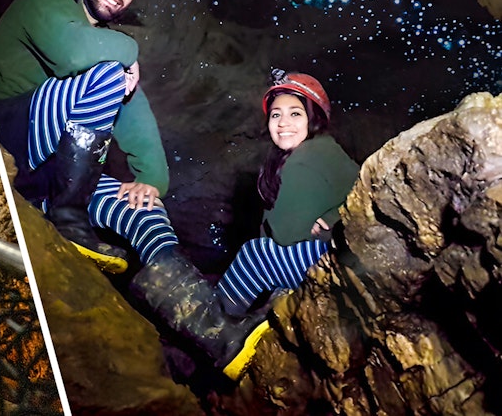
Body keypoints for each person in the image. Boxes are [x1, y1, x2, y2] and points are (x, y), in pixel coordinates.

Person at [128, 69, 359, 378]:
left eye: (294, 113)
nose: (282, 123)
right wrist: (332, 216)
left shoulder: (308, 158)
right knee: (261, 263)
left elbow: (283, 232)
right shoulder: (322, 151)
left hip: (336, 262)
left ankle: (208, 337)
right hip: (333, 256)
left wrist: (331, 219)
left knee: (256, 254)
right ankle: (209, 339)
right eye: (276, 115)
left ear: (314, 117)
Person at [0, 0, 173, 273]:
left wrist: (153, 182)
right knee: (109, 74)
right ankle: (68, 220)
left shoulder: (109, 47)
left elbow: (135, 115)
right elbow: (73, 54)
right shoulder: (41, 2)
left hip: (52, 171)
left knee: (148, 212)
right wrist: (130, 52)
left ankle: (200, 315)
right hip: (1, 133)